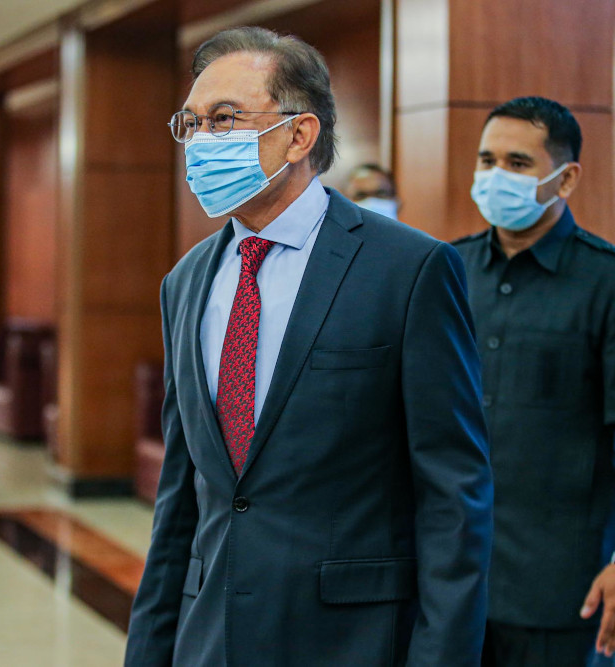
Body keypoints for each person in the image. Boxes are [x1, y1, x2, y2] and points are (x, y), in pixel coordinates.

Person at [126, 26, 492, 667]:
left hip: (353, 641)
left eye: (226, 119)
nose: (203, 141)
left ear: (299, 134)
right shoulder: (184, 282)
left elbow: (453, 496)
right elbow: (181, 497)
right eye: (193, 123)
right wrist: (150, 650)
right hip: (210, 636)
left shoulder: (408, 269)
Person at [452, 96, 615, 667]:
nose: (495, 176)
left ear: (566, 177)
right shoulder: (446, 271)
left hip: (560, 588)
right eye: (486, 160)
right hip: (452, 574)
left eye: (518, 163)